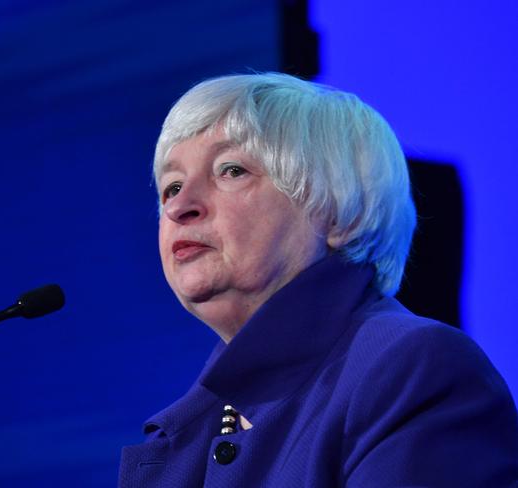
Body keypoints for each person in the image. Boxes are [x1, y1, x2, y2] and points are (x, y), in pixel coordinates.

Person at [118, 73, 518, 487]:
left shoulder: (413, 368)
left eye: (231, 170)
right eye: (172, 186)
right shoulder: (191, 429)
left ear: (336, 212)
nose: (180, 206)